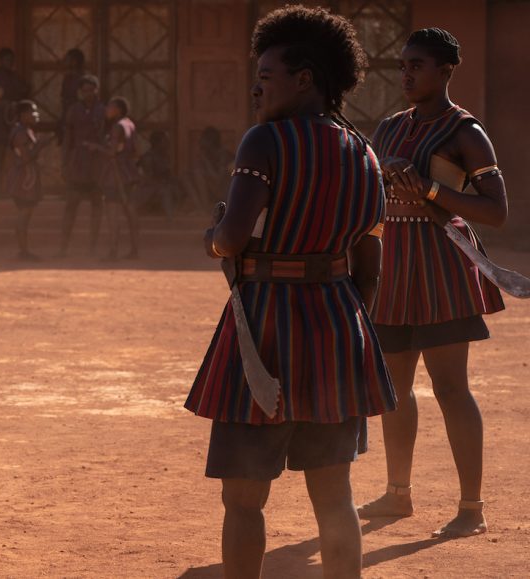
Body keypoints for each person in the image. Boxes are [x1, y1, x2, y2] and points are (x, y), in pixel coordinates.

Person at [183, 6, 396, 578]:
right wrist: (347, 324)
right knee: (335, 499)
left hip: (266, 327)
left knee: (244, 501)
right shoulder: (366, 152)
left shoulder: (264, 142)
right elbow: (369, 266)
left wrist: (212, 237)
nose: (257, 85)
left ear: (304, 78)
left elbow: (230, 240)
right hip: (337, 324)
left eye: (267, 74)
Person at [357, 28, 508, 539]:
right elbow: (371, 194)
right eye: (403, 66)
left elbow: (497, 212)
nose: (406, 74)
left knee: (451, 389)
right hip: (394, 269)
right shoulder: (389, 128)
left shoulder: (465, 131)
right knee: (395, 388)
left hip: (444, 269)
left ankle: (472, 508)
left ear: (445, 71)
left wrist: (431, 188)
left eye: (417, 65)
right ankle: (398, 494)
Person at [58, 74, 106, 257]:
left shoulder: (103, 111)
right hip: (77, 164)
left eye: (91, 90)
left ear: (97, 90)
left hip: (97, 166)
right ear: (79, 92)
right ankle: (63, 248)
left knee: (96, 206)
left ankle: (92, 248)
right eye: (84, 90)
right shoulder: (73, 111)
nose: (88, 94)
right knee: (71, 205)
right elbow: (67, 139)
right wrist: (64, 163)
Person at [92, 96, 139, 260]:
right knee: (130, 213)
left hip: (115, 175)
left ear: (118, 110)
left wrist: (96, 147)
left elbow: (112, 152)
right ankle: (135, 250)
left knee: (113, 213)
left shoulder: (118, 127)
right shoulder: (130, 124)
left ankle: (113, 251)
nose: (107, 110)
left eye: (110, 107)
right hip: (129, 173)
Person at [0, 47, 29, 196]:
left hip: (14, 122)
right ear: (1, 60)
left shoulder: (16, 78)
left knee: (18, 156)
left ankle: (16, 188)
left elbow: (25, 94)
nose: (10, 63)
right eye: (7, 60)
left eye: (12, 60)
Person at [6, 99, 50, 259]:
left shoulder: (26, 130)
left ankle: (24, 250)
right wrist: (41, 145)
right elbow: (26, 157)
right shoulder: (20, 132)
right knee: (24, 212)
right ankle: (23, 251)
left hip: (28, 177)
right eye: (33, 112)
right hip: (23, 180)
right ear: (23, 115)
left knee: (26, 213)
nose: (36, 115)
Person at [185, 126, 234, 213]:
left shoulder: (224, 155)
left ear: (211, 141)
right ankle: (201, 207)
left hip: (226, 193)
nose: (200, 142)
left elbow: (218, 179)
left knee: (198, 172)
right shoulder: (208, 154)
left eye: (203, 139)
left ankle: (204, 207)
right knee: (186, 176)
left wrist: (206, 162)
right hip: (216, 189)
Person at [136, 130, 180, 219]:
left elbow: (168, 175)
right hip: (147, 190)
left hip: (161, 187)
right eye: (165, 141)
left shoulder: (164, 156)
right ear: (157, 143)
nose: (167, 143)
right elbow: (147, 179)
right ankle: (171, 219)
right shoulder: (148, 158)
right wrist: (163, 184)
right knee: (165, 191)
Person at [57, 48, 87, 143]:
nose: (66, 62)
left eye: (68, 59)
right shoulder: (68, 77)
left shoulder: (80, 78)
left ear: (74, 61)